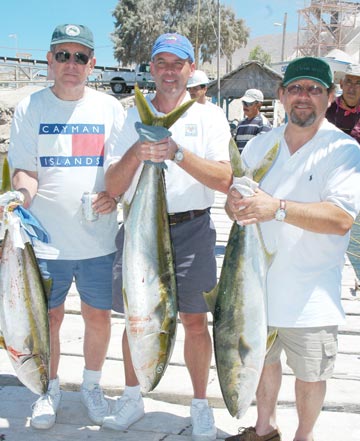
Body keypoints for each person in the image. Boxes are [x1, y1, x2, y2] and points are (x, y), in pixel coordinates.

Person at [103, 33, 232, 441]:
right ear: (152, 69)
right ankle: (131, 396)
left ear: (191, 69)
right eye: (162, 63)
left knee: (195, 321)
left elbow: (226, 179)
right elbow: (112, 185)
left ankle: (199, 405)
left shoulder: (208, 117)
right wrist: (136, 152)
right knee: (136, 318)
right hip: (141, 229)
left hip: (193, 229)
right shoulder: (130, 117)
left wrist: (176, 152)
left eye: (178, 63)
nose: (170, 71)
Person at [224, 57, 360, 441]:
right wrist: (232, 204)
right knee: (264, 363)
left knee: (310, 374)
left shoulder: (343, 149)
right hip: (258, 289)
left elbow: (341, 218)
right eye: (296, 88)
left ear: (330, 97)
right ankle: (264, 429)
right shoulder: (260, 145)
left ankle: (304, 436)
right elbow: (236, 200)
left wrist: (277, 208)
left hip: (312, 292)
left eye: (315, 90)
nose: (305, 97)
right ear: (281, 95)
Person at [8, 24, 125, 430]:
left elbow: (120, 168)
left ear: (92, 64)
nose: (71, 64)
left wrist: (117, 192)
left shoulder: (110, 108)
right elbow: (25, 172)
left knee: (98, 315)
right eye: (63, 55)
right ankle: (48, 388)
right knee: (49, 318)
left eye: (80, 57)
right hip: (44, 244)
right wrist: (17, 201)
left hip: (99, 239)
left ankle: (92, 386)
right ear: (49, 61)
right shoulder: (31, 108)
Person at [326, 63, 360, 143]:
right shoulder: (327, 108)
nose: (352, 88)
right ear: (341, 84)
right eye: (348, 81)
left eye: (358, 83)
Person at [234, 88, 272, 153]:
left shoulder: (263, 124)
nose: (245, 106)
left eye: (249, 103)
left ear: (259, 104)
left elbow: (261, 149)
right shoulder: (241, 124)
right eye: (244, 103)